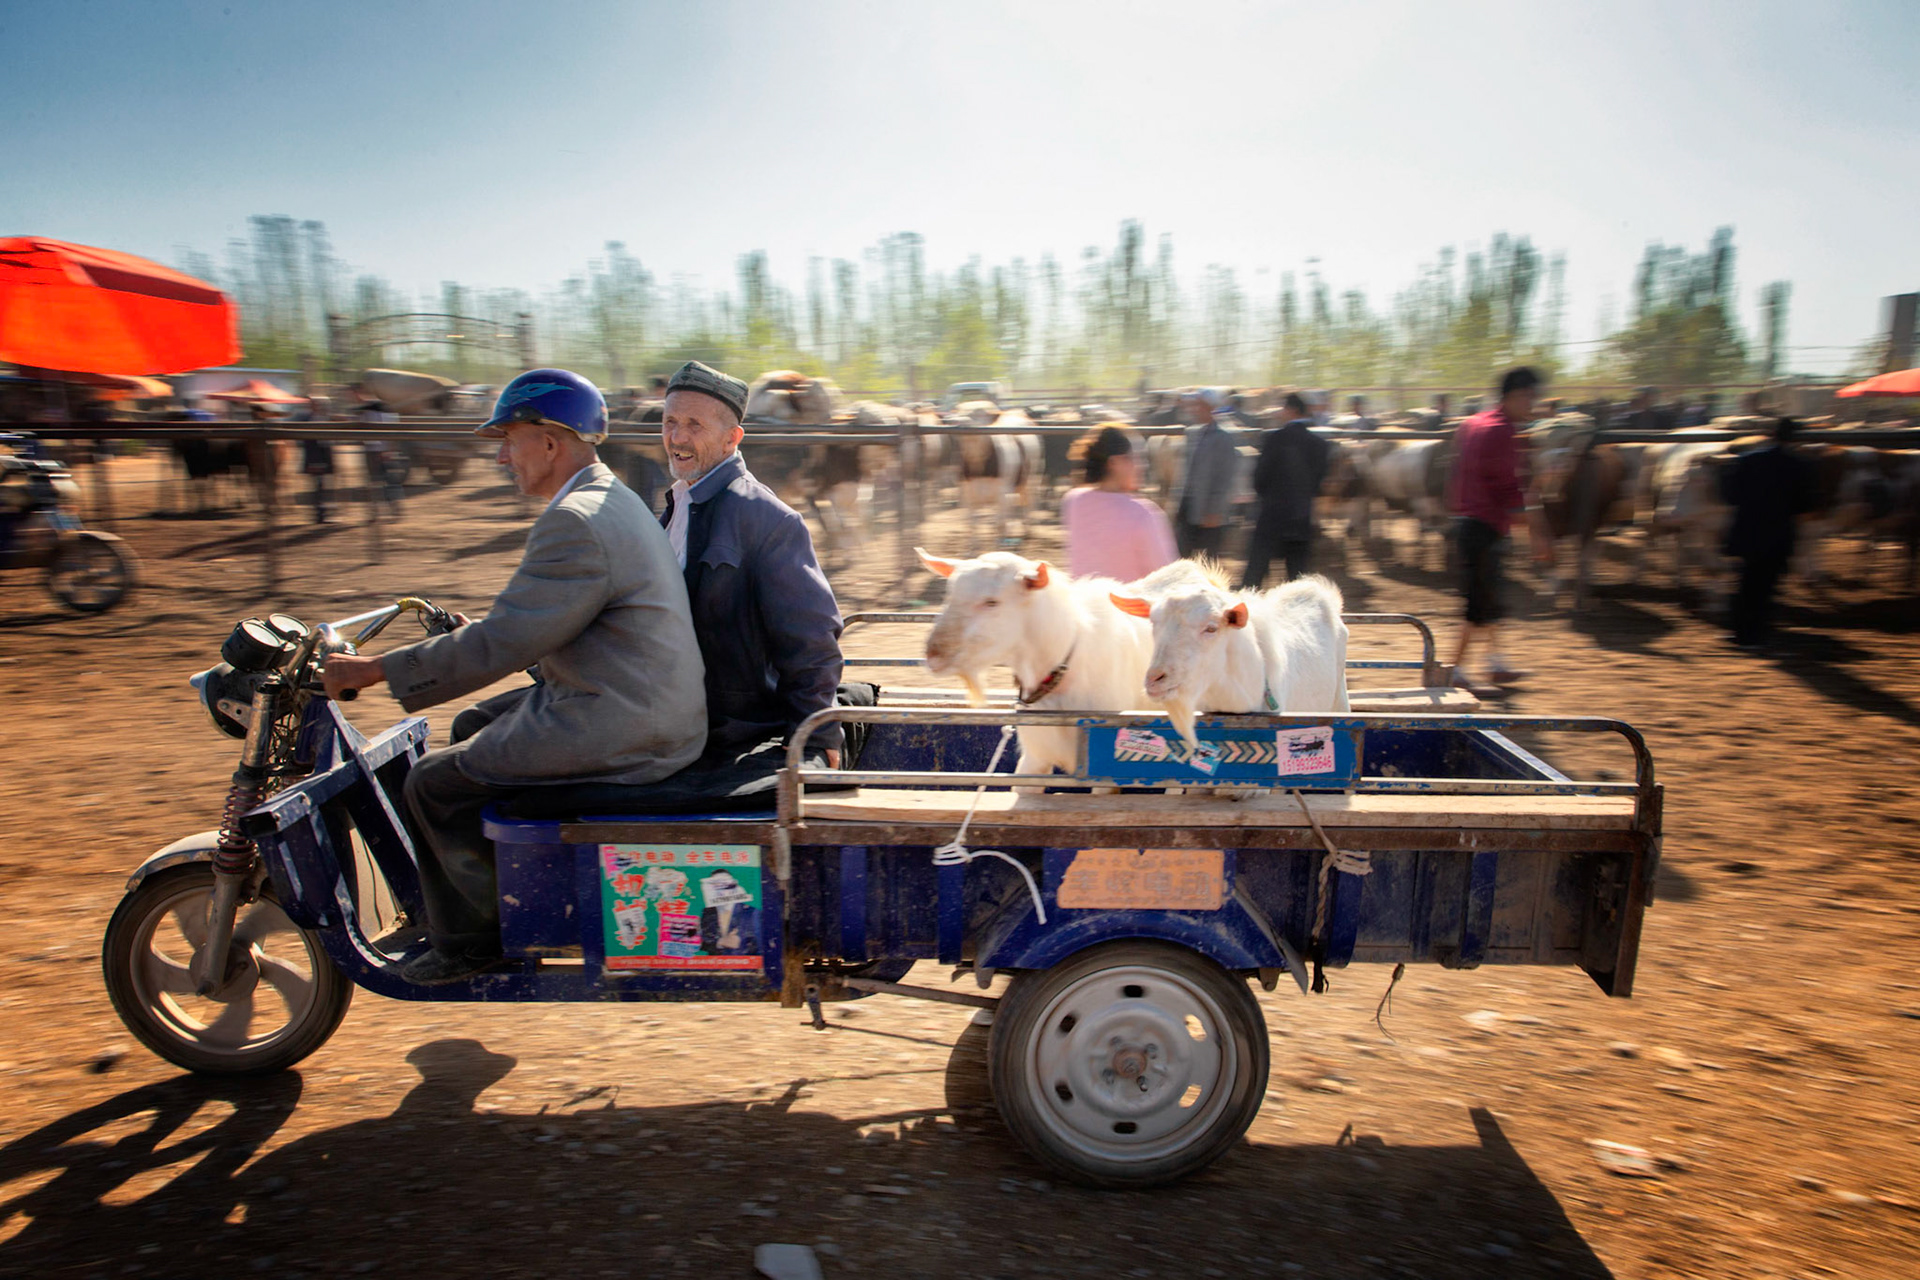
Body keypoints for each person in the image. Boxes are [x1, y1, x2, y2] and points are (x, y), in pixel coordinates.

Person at [323, 368, 707, 983]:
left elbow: (503, 641)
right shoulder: (611, 497)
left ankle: (476, 943)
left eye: (508, 438)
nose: (501, 456)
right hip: (638, 699)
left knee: (431, 784)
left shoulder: (575, 520)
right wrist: (489, 634)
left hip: (624, 721)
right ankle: (509, 889)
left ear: (550, 441)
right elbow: (538, 625)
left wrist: (371, 670)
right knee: (473, 722)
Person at [656, 360, 847, 767]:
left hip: (729, 725)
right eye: (670, 421)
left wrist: (815, 733)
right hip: (667, 710)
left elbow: (811, 638)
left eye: (695, 425)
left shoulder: (768, 520)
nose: (677, 436)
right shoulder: (676, 506)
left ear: (732, 439)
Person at [1445, 367, 1552, 689]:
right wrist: (1537, 533)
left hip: (1469, 522)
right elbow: (1509, 488)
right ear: (1516, 396)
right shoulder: (1503, 432)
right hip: (1485, 526)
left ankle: (1495, 663)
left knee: (1489, 598)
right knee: (1478, 603)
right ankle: (1454, 670)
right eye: (1531, 398)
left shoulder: (1474, 424)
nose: (1533, 405)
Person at [1721, 416, 1813, 649]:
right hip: (1779, 534)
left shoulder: (1748, 460)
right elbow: (1804, 505)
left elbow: (1730, 495)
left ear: (1771, 434)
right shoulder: (1801, 465)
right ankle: (1757, 635)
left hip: (1749, 531)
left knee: (1745, 582)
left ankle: (1739, 632)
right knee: (1768, 587)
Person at [1059, 425, 1177, 582]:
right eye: (1136, 458)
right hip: (1126, 604)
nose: (1142, 466)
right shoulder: (1143, 513)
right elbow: (1169, 577)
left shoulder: (1073, 501)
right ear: (1114, 462)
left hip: (1083, 603)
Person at [1242, 393, 1333, 589]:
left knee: (1254, 578)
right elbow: (1318, 485)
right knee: (1298, 581)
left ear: (1291, 410)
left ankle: (1242, 618)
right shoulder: (1320, 445)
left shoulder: (1273, 439)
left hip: (1271, 519)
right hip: (1301, 519)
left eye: (1283, 408)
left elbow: (1259, 479)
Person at [1172, 389, 1240, 559]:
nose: (1195, 409)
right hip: (1188, 507)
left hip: (1209, 513)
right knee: (1181, 558)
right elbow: (1184, 472)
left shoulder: (1224, 438)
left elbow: (1225, 477)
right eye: (1194, 405)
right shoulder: (1192, 433)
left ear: (1211, 408)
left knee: (1207, 560)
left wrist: (1215, 511)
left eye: (1199, 406)